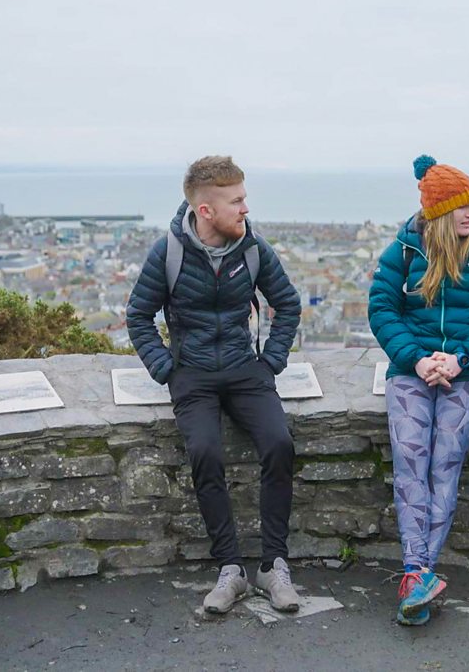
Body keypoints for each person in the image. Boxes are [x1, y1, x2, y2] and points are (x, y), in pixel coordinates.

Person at [126, 156, 303, 614]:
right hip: (194, 374)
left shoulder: (254, 249)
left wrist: (271, 363)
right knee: (205, 453)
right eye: (236, 201)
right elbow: (138, 315)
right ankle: (230, 569)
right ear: (205, 210)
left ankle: (273, 565)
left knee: (279, 444)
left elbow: (288, 304)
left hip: (246, 370)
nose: (246, 208)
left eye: (244, 198)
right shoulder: (169, 253)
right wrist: (167, 369)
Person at [368, 155, 469, 625]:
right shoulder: (405, 250)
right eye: (461, 207)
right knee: (410, 457)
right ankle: (418, 574)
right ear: (438, 214)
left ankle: (418, 574)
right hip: (412, 368)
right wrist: (417, 358)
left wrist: (461, 358)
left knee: (444, 461)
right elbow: (382, 308)